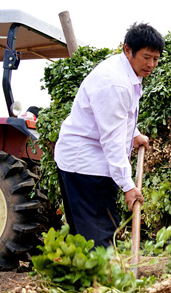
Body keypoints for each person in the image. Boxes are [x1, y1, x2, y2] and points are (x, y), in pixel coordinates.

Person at [54, 23, 164, 247]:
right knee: (98, 238)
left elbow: (121, 116)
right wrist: (128, 186)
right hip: (85, 165)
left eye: (156, 58)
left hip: (89, 159)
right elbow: (112, 141)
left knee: (91, 236)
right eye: (146, 57)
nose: (151, 64)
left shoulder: (128, 71)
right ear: (127, 50)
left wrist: (133, 134)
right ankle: (98, 281)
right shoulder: (115, 83)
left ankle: (90, 280)